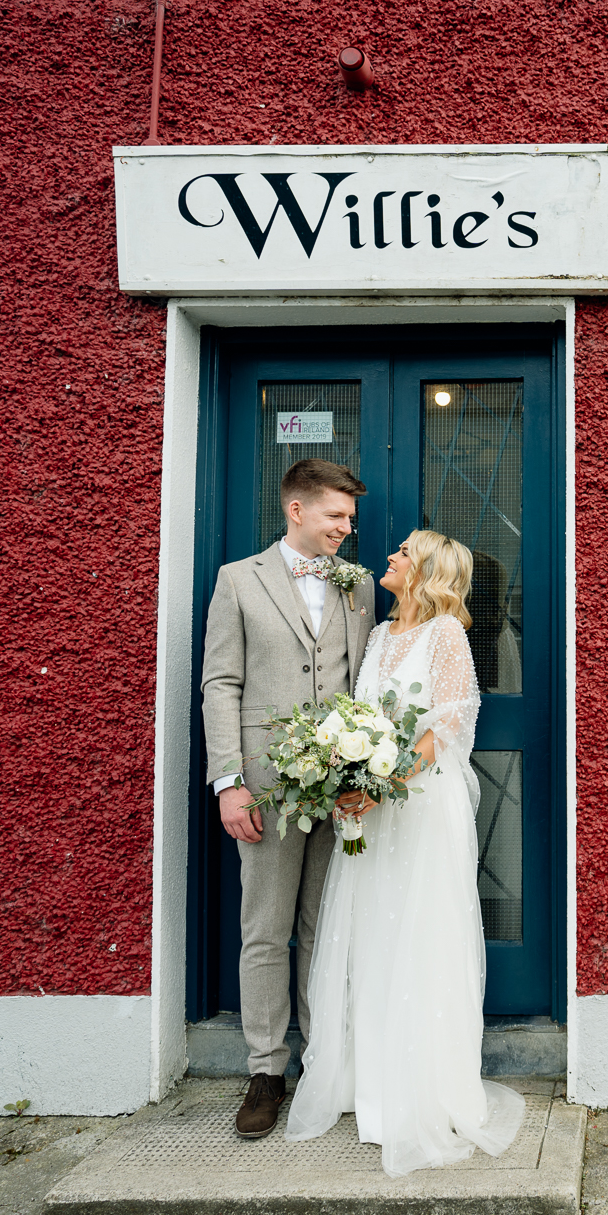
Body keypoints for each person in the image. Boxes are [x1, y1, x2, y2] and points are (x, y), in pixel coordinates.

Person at [285, 530, 524, 1175]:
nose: (389, 557)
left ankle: (420, 1087)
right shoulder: (382, 636)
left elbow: (447, 724)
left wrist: (383, 784)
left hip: (419, 808)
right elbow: (360, 719)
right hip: (372, 812)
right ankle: (373, 1082)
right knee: (372, 934)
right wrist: (347, 777)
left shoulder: (446, 635)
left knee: (421, 933)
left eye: (403, 552)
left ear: (426, 570)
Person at [199, 458, 373, 1140]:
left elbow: (363, 682)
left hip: (338, 788)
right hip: (265, 787)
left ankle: (323, 1063)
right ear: (296, 510)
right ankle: (266, 1070)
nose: (345, 528)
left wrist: (359, 775)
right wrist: (229, 781)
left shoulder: (356, 588)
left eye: (350, 519)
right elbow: (221, 684)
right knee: (265, 929)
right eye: (336, 515)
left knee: (324, 929)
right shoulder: (237, 581)